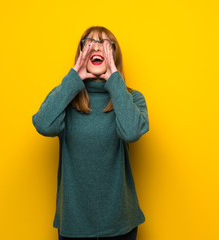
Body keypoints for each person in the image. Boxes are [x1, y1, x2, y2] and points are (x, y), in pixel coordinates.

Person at [32, 26, 149, 240]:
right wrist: (74, 77)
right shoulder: (65, 98)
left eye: (105, 43)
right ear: (81, 54)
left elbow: (131, 132)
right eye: (90, 42)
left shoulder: (131, 98)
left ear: (115, 55)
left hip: (121, 224)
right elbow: (43, 124)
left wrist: (114, 79)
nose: (97, 46)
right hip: (74, 225)